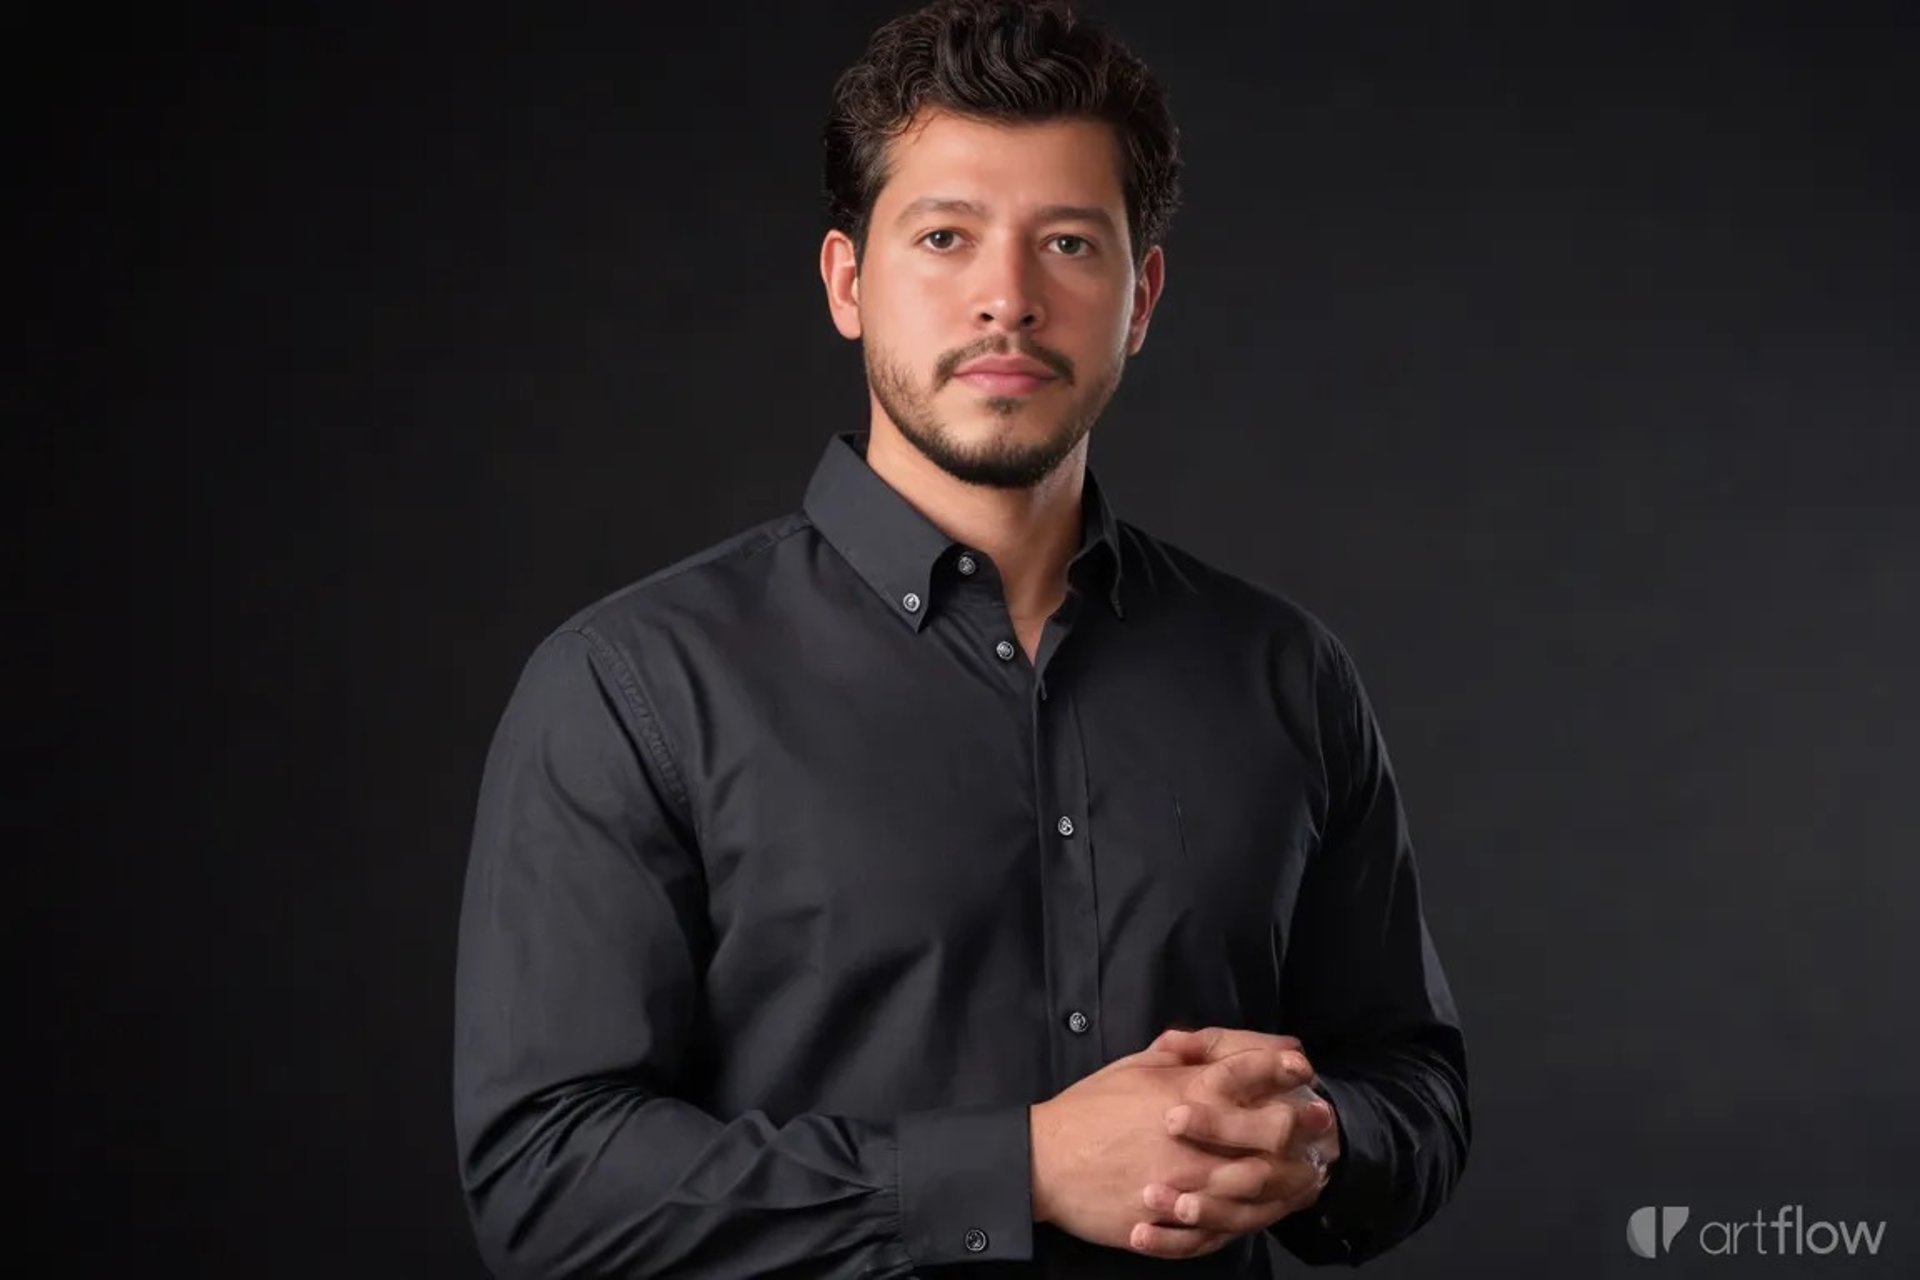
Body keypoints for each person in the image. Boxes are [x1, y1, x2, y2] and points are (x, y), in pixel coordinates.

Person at [451, 1, 1470, 1274]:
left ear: (1140, 297)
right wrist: (1024, 1164)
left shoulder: (1284, 673)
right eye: (945, 237)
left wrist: (1320, 1137)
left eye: (1069, 243)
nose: (1008, 298)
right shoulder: (629, 685)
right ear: (847, 282)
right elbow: (550, 1181)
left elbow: (1416, 1086)